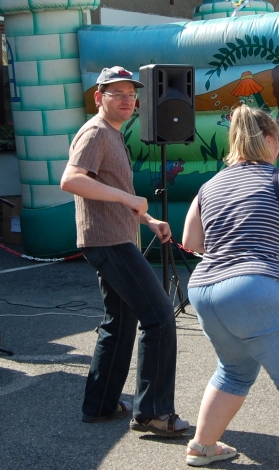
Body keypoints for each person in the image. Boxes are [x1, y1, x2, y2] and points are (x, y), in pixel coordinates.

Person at [181, 105, 279, 469]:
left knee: (233, 370)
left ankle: (202, 446)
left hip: (205, 289)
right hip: (257, 284)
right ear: (270, 141)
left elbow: (191, 241)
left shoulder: (209, 185)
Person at [59, 66, 189, 437]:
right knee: (159, 316)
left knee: (120, 321)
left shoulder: (113, 133)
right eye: (117, 94)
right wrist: (127, 198)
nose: (127, 100)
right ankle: (153, 413)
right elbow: (71, 180)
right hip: (108, 242)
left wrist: (147, 219)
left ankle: (100, 405)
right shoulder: (96, 132)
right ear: (99, 98)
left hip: (115, 238)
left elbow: (115, 192)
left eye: (131, 94)